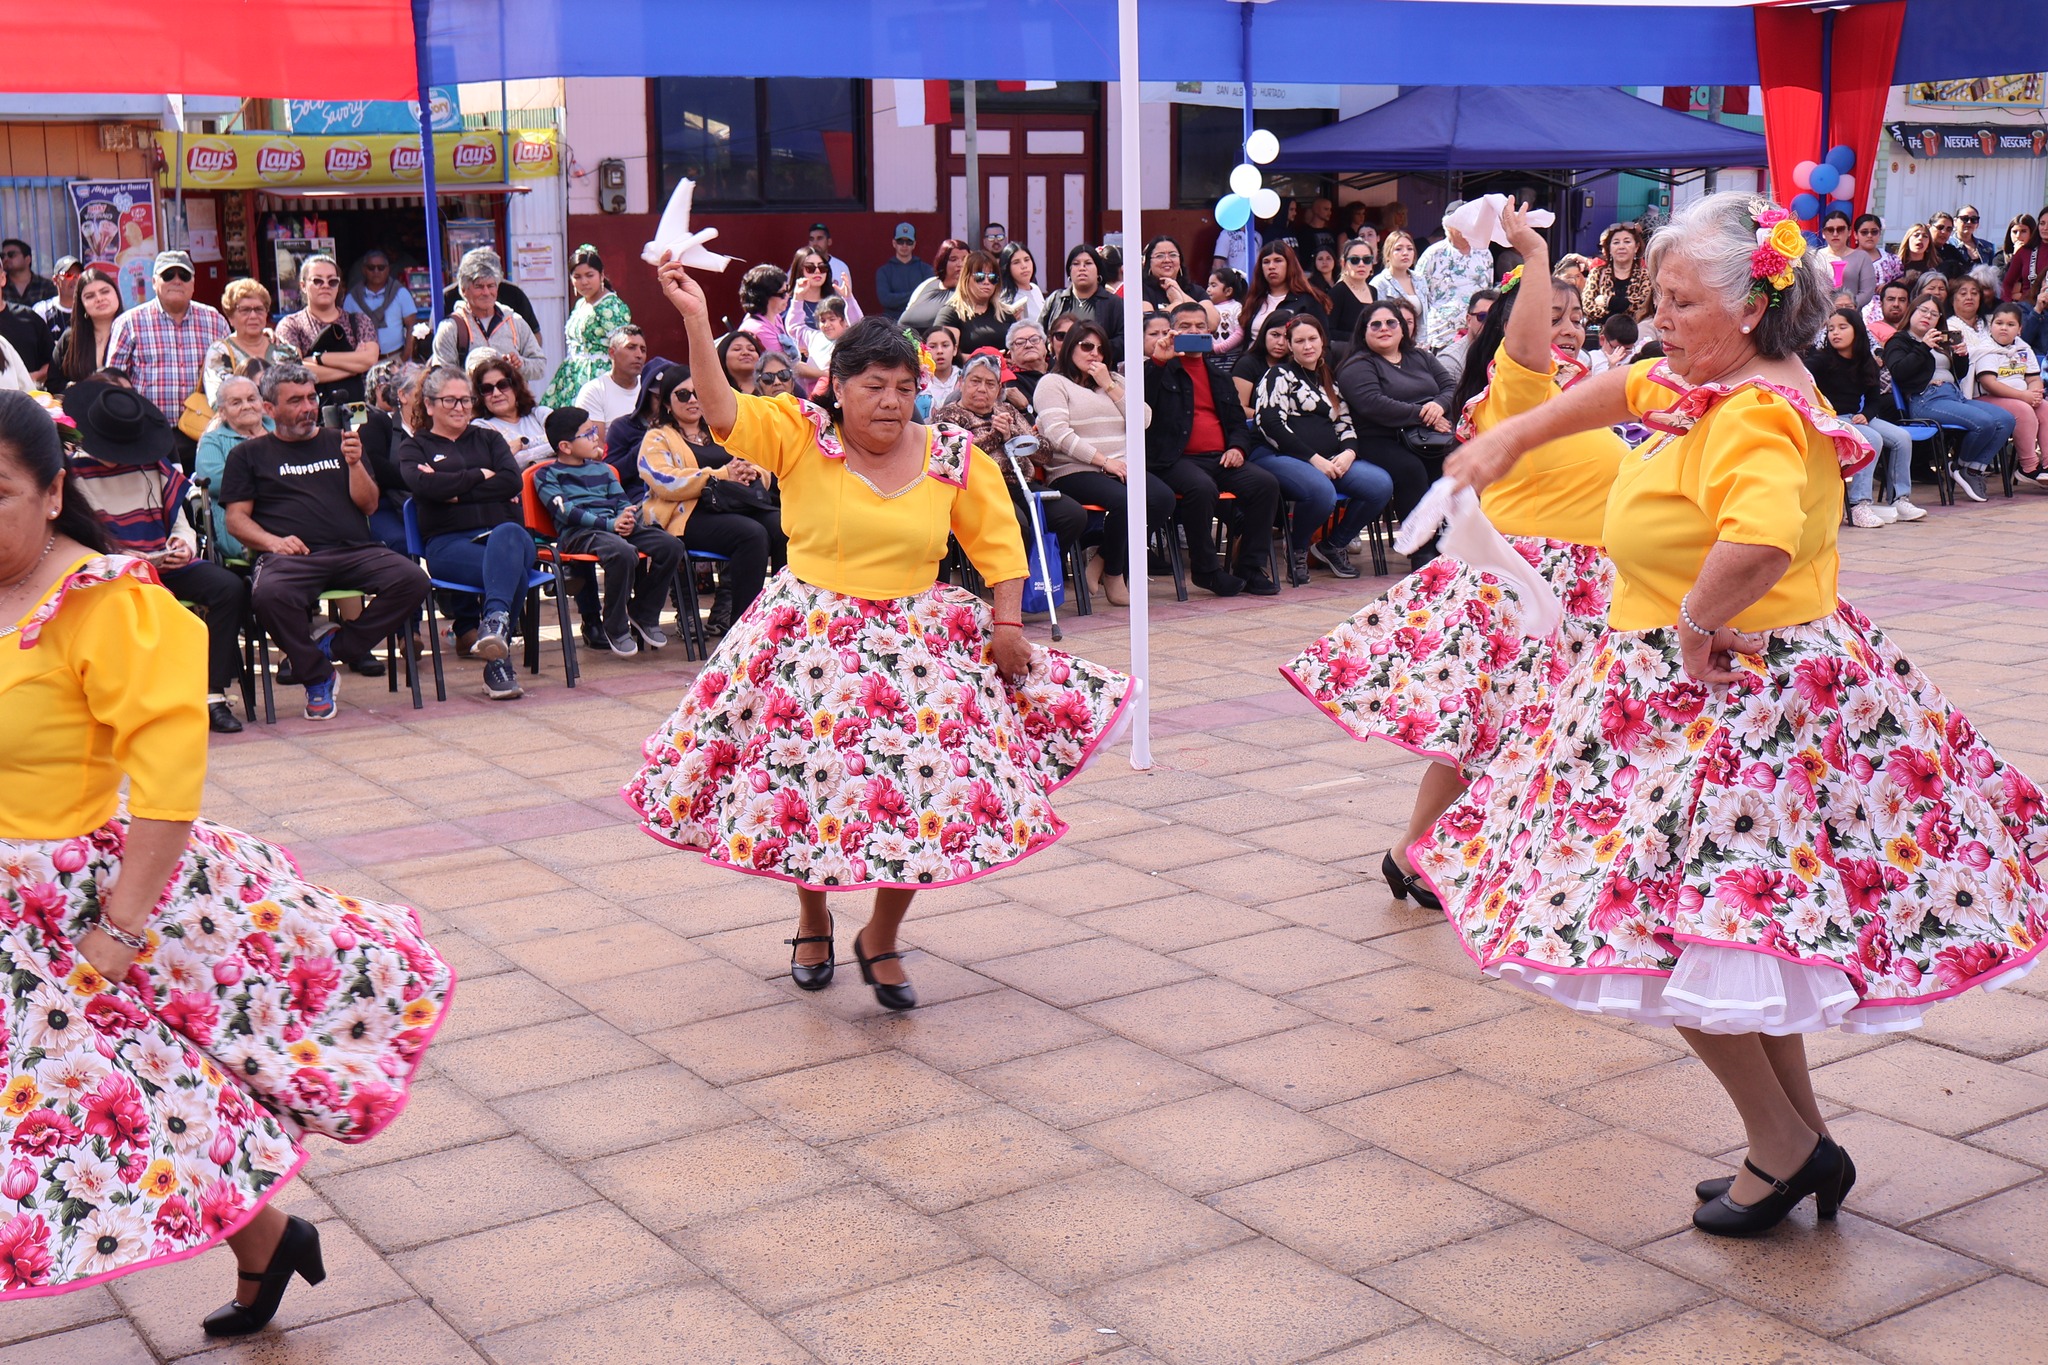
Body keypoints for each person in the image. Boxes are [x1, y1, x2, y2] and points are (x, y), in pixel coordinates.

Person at [1425, 191, 2048, 1237]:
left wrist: (1694, 622)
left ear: (1751, 307)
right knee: (1733, 939)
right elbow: (1624, 385)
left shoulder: (1757, 408)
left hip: (1728, 699)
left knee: (1660, 933)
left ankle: (1783, 1146)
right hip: (1715, 691)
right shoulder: (1718, 377)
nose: (1657, 318)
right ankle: (1797, 1142)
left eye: (1679, 302)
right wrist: (1508, 438)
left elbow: (1758, 538)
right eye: (1657, 296)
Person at [0, 389, 452, 1327]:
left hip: (68, 905)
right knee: (118, 1101)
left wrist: (122, 929)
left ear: (52, 493)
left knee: (113, 1102)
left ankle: (266, 1237)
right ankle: (267, 1239)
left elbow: (167, 784)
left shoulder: (104, 603)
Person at [627, 259, 1131, 1012]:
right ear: (837, 387)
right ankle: (812, 918)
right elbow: (724, 413)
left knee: (926, 788)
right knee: (805, 784)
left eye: (903, 386)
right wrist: (698, 320)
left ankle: (882, 935)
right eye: (873, 386)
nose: (891, 401)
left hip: (914, 639)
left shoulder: (950, 454)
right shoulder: (799, 434)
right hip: (808, 635)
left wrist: (1006, 623)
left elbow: (1000, 544)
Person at [1289, 203, 1625, 909]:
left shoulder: (1579, 394)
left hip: (1584, 585)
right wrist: (1535, 257)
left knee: (1531, 735)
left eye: (1575, 318)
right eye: (1552, 315)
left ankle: (1440, 855)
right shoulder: (1521, 385)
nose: (1568, 327)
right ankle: (1431, 851)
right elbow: (1527, 347)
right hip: (1532, 583)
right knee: (1505, 732)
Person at [221, 363, 431, 720]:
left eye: (311, 398)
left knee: (414, 580)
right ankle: (317, 676)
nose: (308, 408)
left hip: (353, 550)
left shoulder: (341, 441)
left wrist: (355, 464)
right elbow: (236, 519)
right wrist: (273, 542)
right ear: (270, 409)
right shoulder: (248, 455)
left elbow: (369, 505)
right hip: (291, 557)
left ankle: (339, 646)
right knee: (268, 595)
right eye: (295, 401)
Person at [61, 379, 249, 732]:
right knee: (125, 602)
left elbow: (180, 522)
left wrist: (183, 545)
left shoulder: (152, 465)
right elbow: (82, 538)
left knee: (228, 587)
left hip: (164, 562)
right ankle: (138, 698)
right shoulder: (73, 472)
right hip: (111, 572)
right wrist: (131, 557)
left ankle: (212, 694)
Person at [397, 364, 537, 701]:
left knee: (509, 535)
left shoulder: (489, 438)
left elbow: (511, 481)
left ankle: (494, 631)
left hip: (506, 537)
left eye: (466, 400)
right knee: (513, 572)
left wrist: (453, 489)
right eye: (450, 400)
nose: (460, 408)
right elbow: (425, 487)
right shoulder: (414, 447)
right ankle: (497, 657)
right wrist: (480, 475)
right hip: (449, 545)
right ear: (429, 404)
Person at [1147, 302, 1283, 597]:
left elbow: (1237, 422)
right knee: (1201, 488)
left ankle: (1250, 567)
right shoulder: (1158, 369)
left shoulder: (1219, 375)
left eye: (1200, 326)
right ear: (1172, 331)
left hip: (1220, 458)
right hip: (1175, 459)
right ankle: (1206, 571)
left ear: (1209, 333)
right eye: (1184, 326)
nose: (1193, 331)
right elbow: (1140, 407)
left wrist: (1237, 448)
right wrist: (1158, 361)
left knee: (1266, 484)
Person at [1251, 312, 1393, 582]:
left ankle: (1333, 545)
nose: (1307, 346)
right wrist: (1314, 459)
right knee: (1321, 492)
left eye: (1312, 339)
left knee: (1379, 485)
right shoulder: (1278, 375)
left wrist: (1349, 453)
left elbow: (1345, 423)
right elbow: (1270, 424)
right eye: (1299, 341)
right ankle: (1298, 548)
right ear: (1290, 345)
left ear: (1322, 341)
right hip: (1277, 455)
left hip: (1328, 459)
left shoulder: (1328, 380)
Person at [1035, 320, 1166, 609]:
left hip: (1120, 466)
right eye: (1086, 346)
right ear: (1070, 348)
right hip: (1075, 469)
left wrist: (1109, 385)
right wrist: (1104, 461)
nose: (1094, 353)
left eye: (1100, 348)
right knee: (1126, 501)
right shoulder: (1053, 383)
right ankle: (1115, 575)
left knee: (1162, 499)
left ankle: (1102, 559)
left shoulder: (1114, 381)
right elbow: (1058, 434)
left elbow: (1144, 420)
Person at [637, 364, 778, 630]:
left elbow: (760, 462)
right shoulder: (657, 437)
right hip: (688, 514)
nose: (692, 400)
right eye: (683, 395)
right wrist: (720, 474)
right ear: (667, 403)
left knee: (782, 526)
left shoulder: (721, 429)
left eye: (697, 393)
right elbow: (664, 481)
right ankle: (742, 628)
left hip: (735, 505)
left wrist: (752, 472)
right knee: (752, 534)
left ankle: (782, 617)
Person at [536, 405, 684, 654]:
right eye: (588, 433)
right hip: (580, 534)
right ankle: (615, 625)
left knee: (672, 546)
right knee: (623, 552)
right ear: (565, 446)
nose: (596, 437)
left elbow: (621, 500)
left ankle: (644, 611)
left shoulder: (603, 469)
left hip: (613, 528)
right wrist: (610, 524)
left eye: (594, 430)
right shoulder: (547, 474)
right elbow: (565, 512)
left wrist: (626, 518)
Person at [933, 349, 1086, 566]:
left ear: (999, 389)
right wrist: (995, 435)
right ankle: (1013, 577)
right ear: (961, 383)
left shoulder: (1007, 411)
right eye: (975, 381)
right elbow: (955, 460)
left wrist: (1011, 434)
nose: (982, 389)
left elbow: (1044, 455)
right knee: (1016, 524)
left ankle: (1041, 569)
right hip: (980, 490)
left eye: (990, 384)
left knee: (1072, 515)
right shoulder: (949, 415)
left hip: (1021, 485)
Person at [1339, 298, 1456, 536]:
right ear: (1363, 332)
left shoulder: (1421, 357)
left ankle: (1452, 539)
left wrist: (1438, 405)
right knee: (1411, 469)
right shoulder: (1357, 365)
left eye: (1391, 323)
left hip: (1424, 435)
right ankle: (1420, 544)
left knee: (1452, 460)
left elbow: (1451, 387)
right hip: (1379, 438)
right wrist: (1424, 415)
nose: (1384, 328)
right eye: (1375, 325)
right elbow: (1373, 403)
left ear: (1402, 328)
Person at [1885, 291, 2014, 503]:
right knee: (1984, 422)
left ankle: (1970, 468)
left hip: (1953, 395)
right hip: (1925, 400)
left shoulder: (1939, 340)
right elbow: (1900, 371)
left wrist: (1961, 357)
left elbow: (1958, 375)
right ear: (1912, 312)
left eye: (1934, 314)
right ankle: (1964, 467)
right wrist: (1924, 347)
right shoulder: (1899, 341)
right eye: (1923, 310)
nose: (1927, 316)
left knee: (2006, 419)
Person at [1807, 307, 1923, 526]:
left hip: (1856, 417)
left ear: (1857, 331)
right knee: (1871, 439)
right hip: (1831, 417)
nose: (1835, 333)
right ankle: (1858, 504)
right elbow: (1803, 377)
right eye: (1831, 329)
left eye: (1842, 327)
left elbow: (1873, 400)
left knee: (1902, 438)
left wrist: (1866, 415)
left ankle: (1899, 499)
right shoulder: (1821, 360)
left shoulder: (1867, 362)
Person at [105, 251, 230, 437]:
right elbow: (113, 382)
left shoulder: (215, 321)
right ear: (154, 282)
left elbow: (229, 377)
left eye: (184, 275)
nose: (177, 281)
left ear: (193, 284)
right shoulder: (128, 323)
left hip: (204, 432)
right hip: (147, 432)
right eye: (168, 275)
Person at [272, 254, 380, 407]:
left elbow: (369, 359)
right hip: (310, 411)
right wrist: (354, 368)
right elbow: (293, 372)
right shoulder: (290, 325)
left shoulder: (360, 321)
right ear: (303, 286)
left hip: (359, 410)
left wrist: (318, 359)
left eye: (332, 281)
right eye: (317, 281)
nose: (325, 286)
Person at [432, 249, 547, 385]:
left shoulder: (515, 321)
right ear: (463, 290)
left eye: (491, 286)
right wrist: (474, 375)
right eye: (479, 286)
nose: (486, 292)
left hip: (512, 399)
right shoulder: (450, 328)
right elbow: (442, 377)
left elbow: (540, 366)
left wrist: (519, 364)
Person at [542, 245, 633, 407]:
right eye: (577, 276)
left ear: (601, 275)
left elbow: (624, 348)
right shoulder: (580, 304)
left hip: (599, 377)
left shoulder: (611, 306)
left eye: (589, 275)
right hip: (572, 375)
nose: (584, 282)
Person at [194, 374, 267, 560]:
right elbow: (215, 481)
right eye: (236, 403)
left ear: (262, 402)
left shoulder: (281, 430)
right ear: (222, 412)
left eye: (252, 399)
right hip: (243, 530)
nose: (246, 406)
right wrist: (274, 477)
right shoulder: (213, 441)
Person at [1973, 302, 2048, 482]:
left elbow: (2033, 379)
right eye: (1999, 323)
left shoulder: (2023, 348)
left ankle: (2047, 465)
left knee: (2045, 408)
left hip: (2020, 397)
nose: (2004, 328)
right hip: (1985, 399)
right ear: (1991, 326)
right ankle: (2028, 467)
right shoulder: (1985, 349)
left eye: (2010, 324)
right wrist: (2024, 396)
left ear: (2020, 329)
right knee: (2023, 410)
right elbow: (1989, 383)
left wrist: (2034, 394)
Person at [203, 279, 301, 403]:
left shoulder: (284, 350)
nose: (253, 316)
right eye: (245, 310)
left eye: (259, 309)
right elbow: (217, 402)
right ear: (231, 317)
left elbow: (304, 392)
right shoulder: (220, 353)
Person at [1415, 207, 1497, 350]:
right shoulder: (1433, 254)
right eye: (1462, 223)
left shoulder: (1484, 252)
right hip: (1442, 336)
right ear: (1448, 226)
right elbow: (1419, 295)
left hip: (1478, 334)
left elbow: (1487, 290)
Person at [49, 266, 124, 396]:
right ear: (81, 304)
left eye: (105, 291)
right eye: (90, 296)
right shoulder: (70, 339)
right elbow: (53, 384)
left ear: (116, 294)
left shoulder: (134, 332)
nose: (99, 299)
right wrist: (77, 388)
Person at [1041, 245, 1123, 363]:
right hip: (1058, 368)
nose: (1082, 268)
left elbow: (1123, 340)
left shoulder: (1114, 303)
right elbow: (1040, 333)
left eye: (1088, 263)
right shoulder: (1056, 299)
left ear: (1098, 270)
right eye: (1076, 264)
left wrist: (1092, 350)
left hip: (1098, 368)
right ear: (1069, 271)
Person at [470, 352, 551, 464]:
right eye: (487, 389)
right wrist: (550, 444)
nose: (496, 393)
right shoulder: (480, 428)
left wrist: (522, 444)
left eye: (503, 385)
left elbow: (568, 441)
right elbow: (509, 461)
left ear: (516, 388)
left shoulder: (539, 413)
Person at [1244, 242, 1329, 341]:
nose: (1271, 266)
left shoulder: (1309, 301)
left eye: (1278, 260)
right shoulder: (1254, 299)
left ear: (1290, 264)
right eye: (1266, 262)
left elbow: (1324, 342)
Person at [934, 252, 1013, 356]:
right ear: (966, 279)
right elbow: (943, 354)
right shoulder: (951, 313)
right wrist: (987, 358)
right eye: (980, 277)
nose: (986, 282)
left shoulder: (1005, 313)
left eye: (992, 277)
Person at [342, 250, 413, 361]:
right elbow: (346, 330)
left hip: (395, 358)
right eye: (371, 267)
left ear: (388, 269)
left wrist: (405, 356)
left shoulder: (400, 293)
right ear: (364, 270)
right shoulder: (352, 298)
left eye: (381, 267)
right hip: (363, 361)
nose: (376, 271)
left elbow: (411, 326)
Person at [574, 324, 648, 427]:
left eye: (643, 350)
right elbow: (595, 437)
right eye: (631, 348)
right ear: (612, 353)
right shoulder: (594, 391)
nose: (639, 355)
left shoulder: (650, 388)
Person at [1581, 221, 1652, 327]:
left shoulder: (1645, 276)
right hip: (1603, 333)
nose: (1621, 247)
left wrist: (1608, 301)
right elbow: (1588, 306)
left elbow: (1643, 307)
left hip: (1636, 333)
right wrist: (1623, 308)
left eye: (1627, 242)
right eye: (1616, 242)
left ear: (1636, 247)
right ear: (1609, 248)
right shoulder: (1597, 273)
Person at [1232, 306, 1296, 412]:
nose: (1280, 342)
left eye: (1286, 337)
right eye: (1275, 335)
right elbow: (1239, 408)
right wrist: (1267, 418)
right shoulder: (1247, 364)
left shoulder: (1296, 365)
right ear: (1264, 334)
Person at [900, 239, 968, 335]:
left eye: (965, 259)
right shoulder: (928, 283)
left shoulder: (972, 291)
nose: (960, 264)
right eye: (953, 259)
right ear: (942, 262)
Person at [1434, 289, 1498, 383]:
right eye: (1483, 316)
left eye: (1495, 317)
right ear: (1468, 320)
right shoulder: (1451, 360)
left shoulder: (1506, 351)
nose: (1489, 323)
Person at [875, 223, 935, 321]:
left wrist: (897, 299)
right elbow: (885, 300)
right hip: (892, 323)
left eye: (909, 242)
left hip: (919, 322)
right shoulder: (884, 271)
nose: (904, 245)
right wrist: (917, 295)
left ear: (914, 244)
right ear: (894, 243)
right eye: (900, 241)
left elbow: (929, 297)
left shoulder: (926, 270)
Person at [736, 265, 797, 360]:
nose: (787, 296)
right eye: (782, 293)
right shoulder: (760, 330)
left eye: (787, 290)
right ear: (764, 296)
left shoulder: (775, 316)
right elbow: (787, 364)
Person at [1327, 238, 1379, 345]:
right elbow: (1329, 331)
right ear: (1343, 263)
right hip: (1348, 351)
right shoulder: (1338, 292)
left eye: (1367, 259)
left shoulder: (1373, 290)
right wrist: (1361, 338)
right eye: (1355, 260)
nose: (1361, 264)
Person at [1137, 236, 1201, 317]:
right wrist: (1177, 302)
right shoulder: (1140, 290)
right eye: (1159, 256)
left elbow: (1212, 321)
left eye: (1173, 255)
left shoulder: (1195, 290)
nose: (1167, 260)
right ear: (1149, 263)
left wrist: (1179, 291)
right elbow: (1147, 321)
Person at [1002, 320, 1052, 411]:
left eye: (1034, 340)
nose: (1028, 345)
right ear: (1011, 352)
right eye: (1020, 342)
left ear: (1044, 345)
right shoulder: (1011, 382)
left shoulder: (1062, 367)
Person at [1369, 229, 1422, 314]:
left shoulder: (1420, 279)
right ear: (1387, 254)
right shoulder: (1379, 283)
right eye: (1398, 249)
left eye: (1410, 248)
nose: (1405, 253)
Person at [33, 255, 83, 342]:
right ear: (55, 280)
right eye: (68, 275)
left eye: (78, 275)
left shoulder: (89, 307)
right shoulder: (42, 310)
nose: (74, 280)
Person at [805, 223, 857, 306]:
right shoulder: (801, 265)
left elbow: (848, 298)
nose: (815, 243)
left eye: (819, 238)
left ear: (829, 241)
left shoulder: (841, 267)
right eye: (811, 239)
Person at [997, 242, 1046, 327]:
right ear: (1007, 267)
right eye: (1016, 262)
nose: (1024, 266)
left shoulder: (1035, 288)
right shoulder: (1007, 301)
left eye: (1027, 260)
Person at [2003, 214, 2045, 304]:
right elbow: (2005, 283)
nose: (2018, 236)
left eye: (2023, 231)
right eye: (2042, 223)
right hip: (2026, 306)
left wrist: (2019, 295)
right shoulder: (2022, 253)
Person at [0, 238, 54, 306]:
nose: (5, 259)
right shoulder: (1, 286)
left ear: (27, 259)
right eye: (2, 256)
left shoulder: (46, 286)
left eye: (11, 254)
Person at [1207, 267, 1248, 354]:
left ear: (1228, 291)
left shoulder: (1236, 307)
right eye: (1208, 285)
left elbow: (1239, 333)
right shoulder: (1208, 307)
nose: (1208, 290)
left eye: (1213, 285)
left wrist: (1219, 348)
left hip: (1232, 356)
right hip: (1208, 356)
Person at [921, 324, 962, 411]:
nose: (940, 351)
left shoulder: (965, 378)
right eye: (932, 347)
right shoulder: (918, 381)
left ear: (955, 349)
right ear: (923, 351)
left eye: (945, 345)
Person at [1864, 279, 1913, 345]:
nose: (1896, 304)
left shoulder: (1916, 329)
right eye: (1891, 299)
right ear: (1881, 304)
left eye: (1902, 300)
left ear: (1908, 305)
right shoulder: (1870, 330)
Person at [1953, 205, 1999, 273]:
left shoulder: (1988, 247)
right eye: (1965, 218)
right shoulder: (1947, 245)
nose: (1969, 222)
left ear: (1977, 224)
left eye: (1974, 219)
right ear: (1955, 221)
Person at [717, 328, 762, 394]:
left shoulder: (771, 386)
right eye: (737, 349)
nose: (746, 353)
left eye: (751, 349)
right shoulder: (716, 391)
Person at [1929, 211, 1970, 279]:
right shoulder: (1922, 250)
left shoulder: (1951, 251)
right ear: (1929, 227)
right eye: (1940, 227)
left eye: (1949, 229)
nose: (1944, 232)